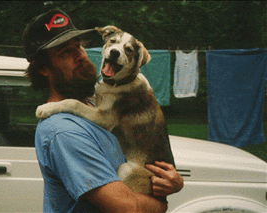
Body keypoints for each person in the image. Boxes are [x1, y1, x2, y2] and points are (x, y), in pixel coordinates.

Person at [23, 9, 183, 213]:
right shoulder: (64, 132)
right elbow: (129, 209)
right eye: (65, 52)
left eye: (78, 46)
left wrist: (170, 182)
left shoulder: (92, 106)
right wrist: (160, 203)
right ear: (42, 69)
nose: (80, 55)